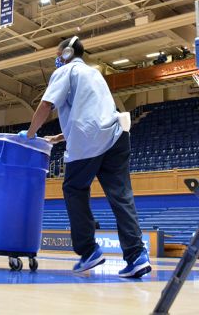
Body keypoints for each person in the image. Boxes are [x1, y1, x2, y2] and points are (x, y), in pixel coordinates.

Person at [19, 36, 151, 278]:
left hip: (88, 144)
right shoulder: (95, 74)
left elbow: (47, 105)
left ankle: (89, 251)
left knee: (74, 189)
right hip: (116, 136)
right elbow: (93, 116)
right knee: (121, 196)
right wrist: (59, 137)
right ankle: (137, 255)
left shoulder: (66, 71)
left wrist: (30, 134)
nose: (56, 58)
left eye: (58, 53)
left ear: (67, 53)